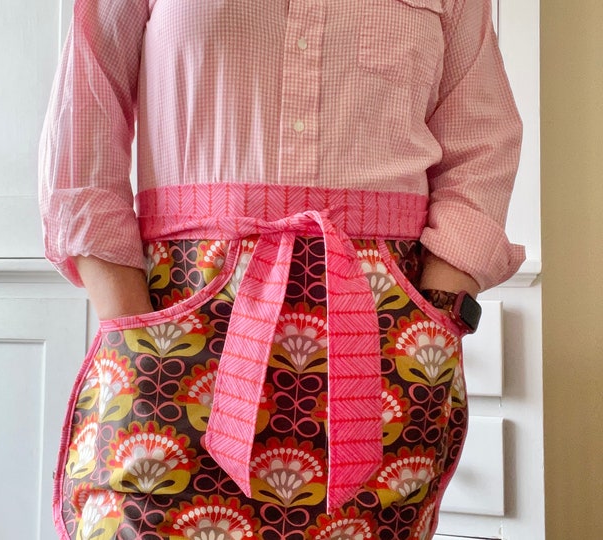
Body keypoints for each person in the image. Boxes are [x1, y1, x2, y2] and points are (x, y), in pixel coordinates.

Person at [38, 1, 524, 538]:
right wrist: (130, 328)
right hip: (174, 325)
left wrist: (434, 311)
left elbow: (483, 143)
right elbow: (82, 130)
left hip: (384, 332)